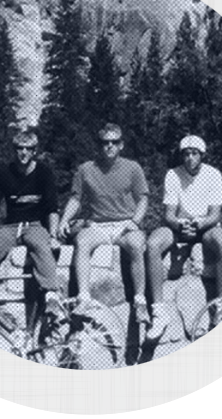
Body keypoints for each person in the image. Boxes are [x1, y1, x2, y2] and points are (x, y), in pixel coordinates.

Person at [58, 123, 150, 324]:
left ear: (121, 145)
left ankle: (140, 301)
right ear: (98, 145)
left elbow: (143, 199)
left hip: (125, 222)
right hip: (97, 224)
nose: (109, 146)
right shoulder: (86, 169)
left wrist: (135, 221)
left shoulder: (132, 168)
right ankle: (83, 298)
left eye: (114, 142)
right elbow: (75, 199)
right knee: (81, 242)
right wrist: (64, 220)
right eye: (104, 142)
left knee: (136, 245)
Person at [0, 130, 64, 324]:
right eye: (19, 148)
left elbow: (51, 207)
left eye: (28, 149)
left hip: (35, 224)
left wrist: (53, 234)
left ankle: (51, 294)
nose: (23, 153)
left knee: (41, 246)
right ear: (14, 150)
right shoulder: (4, 172)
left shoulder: (43, 172)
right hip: (11, 225)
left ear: (34, 151)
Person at [146, 135, 222, 339]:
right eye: (186, 154)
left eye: (194, 153)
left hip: (205, 226)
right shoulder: (173, 175)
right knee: (152, 243)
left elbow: (215, 214)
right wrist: (180, 224)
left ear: (201, 155)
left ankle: (220, 305)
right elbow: (168, 214)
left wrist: (199, 224)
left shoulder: (213, 174)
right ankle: (159, 310)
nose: (189, 158)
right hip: (179, 226)